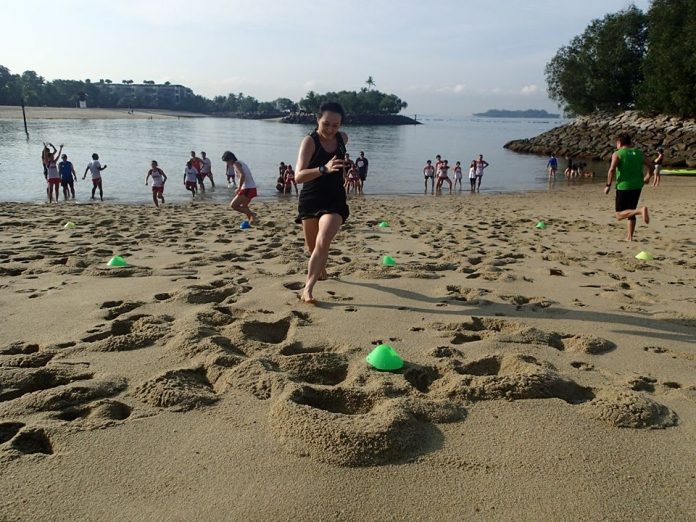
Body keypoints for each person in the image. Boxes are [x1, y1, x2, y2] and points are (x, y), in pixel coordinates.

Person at [294, 101, 350, 304]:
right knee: (313, 248)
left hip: (335, 199)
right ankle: (320, 268)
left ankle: (307, 289)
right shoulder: (309, 141)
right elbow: (298, 176)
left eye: (335, 125)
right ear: (317, 119)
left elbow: (340, 163)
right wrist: (323, 169)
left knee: (323, 240)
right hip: (311, 199)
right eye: (326, 124)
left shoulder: (343, 138)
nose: (330, 129)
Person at [604, 133, 655, 241]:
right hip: (637, 186)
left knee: (619, 215)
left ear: (619, 143)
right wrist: (647, 178)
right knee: (630, 211)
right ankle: (630, 237)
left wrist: (608, 185)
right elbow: (651, 166)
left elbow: (612, 170)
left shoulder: (618, 153)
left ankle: (640, 211)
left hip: (624, 186)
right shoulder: (639, 153)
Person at [222, 151, 258, 224]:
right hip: (252, 187)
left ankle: (253, 214)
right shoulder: (241, 162)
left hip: (247, 188)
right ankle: (251, 221)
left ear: (231, 159)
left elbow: (242, 175)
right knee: (244, 206)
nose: (227, 164)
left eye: (227, 161)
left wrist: (239, 188)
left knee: (233, 205)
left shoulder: (236, 164)